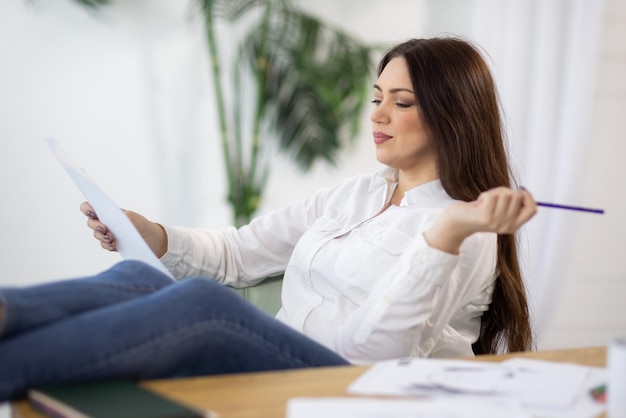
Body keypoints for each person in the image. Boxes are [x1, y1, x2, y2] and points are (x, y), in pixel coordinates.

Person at [0, 36, 537, 401]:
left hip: (352, 389)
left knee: (205, 307)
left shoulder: (464, 231)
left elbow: (374, 359)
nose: (376, 114)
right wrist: (154, 237)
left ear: (451, 115)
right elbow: (239, 253)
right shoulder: (354, 195)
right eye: (376, 98)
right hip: (288, 366)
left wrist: (441, 236)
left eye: (401, 103)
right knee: (140, 275)